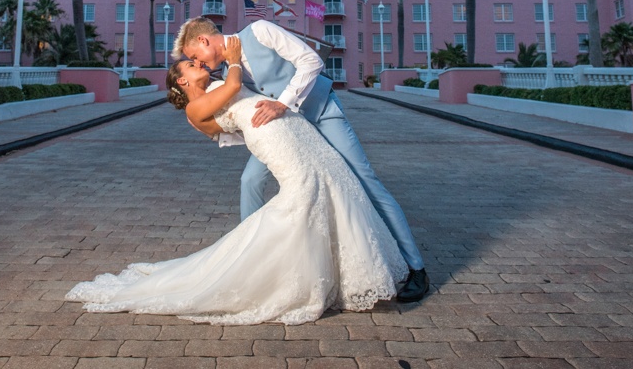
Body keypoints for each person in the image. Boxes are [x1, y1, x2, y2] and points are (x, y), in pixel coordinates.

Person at [66, 36, 407, 325]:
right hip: (274, 139)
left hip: (292, 128)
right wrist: (231, 59)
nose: (196, 63)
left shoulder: (211, 88)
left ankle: (347, 272)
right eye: (189, 64)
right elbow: (233, 88)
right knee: (303, 194)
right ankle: (281, 274)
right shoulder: (195, 108)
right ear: (181, 82)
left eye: (195, 59)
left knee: (331, 182)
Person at [175, 17, 429, 303]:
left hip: (320, 112)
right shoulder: (226, 72)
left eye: (195, 56)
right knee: (250, 180)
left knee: (366, 182)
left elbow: (311, 60)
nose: (200, 63)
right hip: (289, 133)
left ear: (204, 41)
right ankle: (251, 265)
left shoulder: (259, 31)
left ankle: (415, 269)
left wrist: (283, 103)